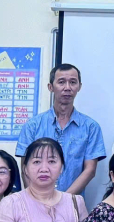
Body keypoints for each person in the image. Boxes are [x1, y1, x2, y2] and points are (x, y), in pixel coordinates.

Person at [16, 63, 105, 194]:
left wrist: (63, 201)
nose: (67, 88)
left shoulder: (91, 127)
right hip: (37, 201)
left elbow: (90, 170)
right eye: (61, 82)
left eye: (73, 82)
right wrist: (38, 199)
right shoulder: (32, 125)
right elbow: (25, 168)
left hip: (72, 202)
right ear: (50, 87)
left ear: (79, 87)